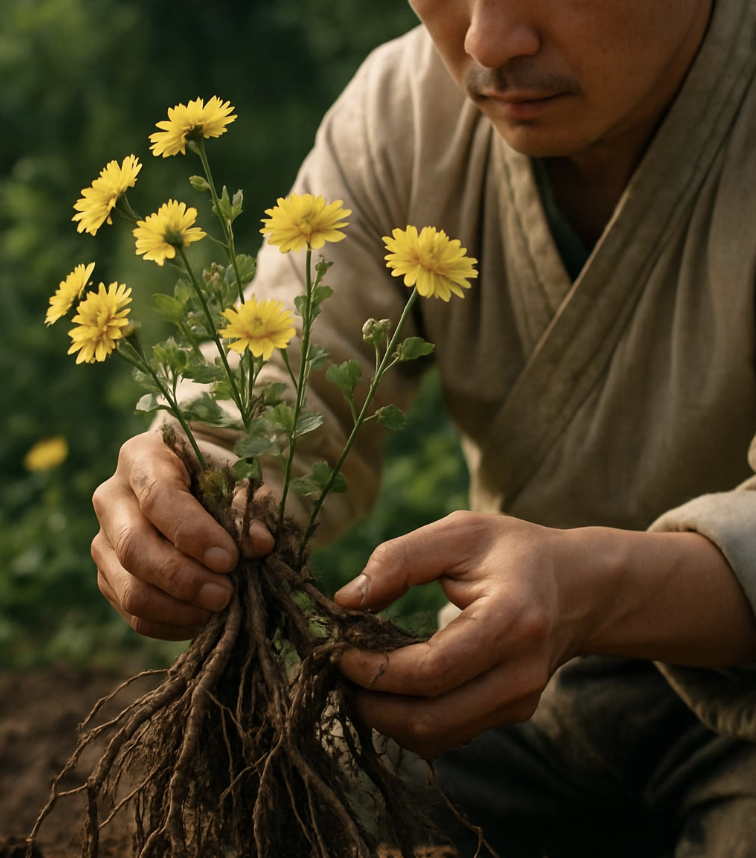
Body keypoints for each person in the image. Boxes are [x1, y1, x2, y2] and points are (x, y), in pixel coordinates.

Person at [91, 0, 756, 854]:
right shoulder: (403, 115)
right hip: (529, 698)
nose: (486, 41)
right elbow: (286, 372)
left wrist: (593, 591)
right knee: (296, 814)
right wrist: (195, 477)